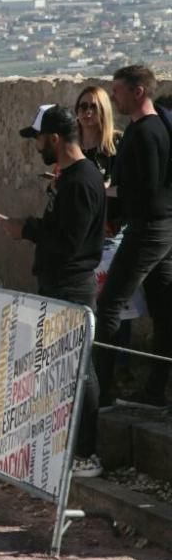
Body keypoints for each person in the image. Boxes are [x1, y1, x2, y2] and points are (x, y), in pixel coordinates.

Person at [0, 104, 106, 477]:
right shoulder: (70, 178)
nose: (37, 145)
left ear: (55, 139)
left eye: (39, 138)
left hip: (72, 287)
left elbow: (69, 242)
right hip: (59, 284)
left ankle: (86, 454)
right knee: (63, 370)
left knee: (80, 371)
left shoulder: (80, 181)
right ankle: (62, 445)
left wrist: (25, 229)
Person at [95, 65, 172, 409]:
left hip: (148, 229)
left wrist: (107, 194)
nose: (114, 97)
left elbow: (147, 190)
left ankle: (103, 388)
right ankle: (156, 390)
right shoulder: (157, 128)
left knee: (110, 304)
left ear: (138, 91)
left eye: (118, 91)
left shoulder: (144, 133)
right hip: (163, 228)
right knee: (163, 309)